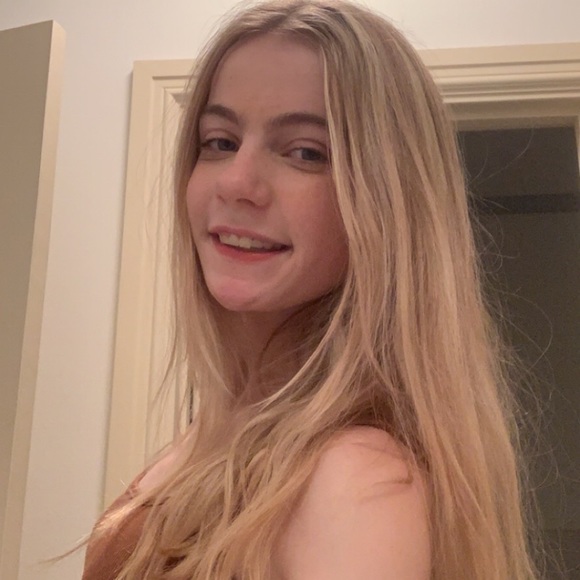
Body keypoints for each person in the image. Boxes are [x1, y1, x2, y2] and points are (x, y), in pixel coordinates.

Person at [82, 1, 543, 578]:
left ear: (387, 202)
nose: (237, 182)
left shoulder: (358, 479)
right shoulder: (223, 431)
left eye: (305, 152)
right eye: (220, 141)